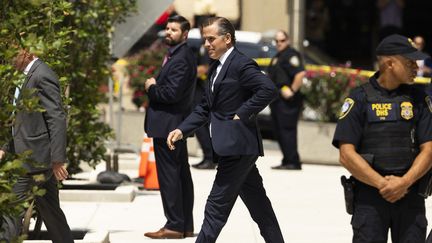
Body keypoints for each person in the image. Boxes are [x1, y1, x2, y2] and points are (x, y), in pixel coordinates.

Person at [167, 16, 285, 243]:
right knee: (260, 207)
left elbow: (268, 89)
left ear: (227, 38)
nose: (207, 44)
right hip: (233, 147)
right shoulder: (216, 67)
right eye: (204, 40)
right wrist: (181, 130)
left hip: (238, 147)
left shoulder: (241, 64)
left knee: (215, 206)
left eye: (211, 39)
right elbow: (205, 108)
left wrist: (243, 112)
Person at [333, 34, 432, 242]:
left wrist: (403, 182)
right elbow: (346, 154)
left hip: (410, 197)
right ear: (389, 63)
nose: (416, 66)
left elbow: (429, 150)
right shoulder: (358, 99)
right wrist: (382, 184)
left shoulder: (420, 99)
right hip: (370, 199)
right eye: (410, 61)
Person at [0, 49, 73, 243]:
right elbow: (21, 119)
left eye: (11, 55)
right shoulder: (26, 74)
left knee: (11, 208)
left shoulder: (42, 74)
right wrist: (6, 147)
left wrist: (57, 160)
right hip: (34, 157)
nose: (9, 61)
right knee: (50, 210)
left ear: (26, 53)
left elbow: (56, 117)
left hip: (34, 160)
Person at [143, 15, 196, 239]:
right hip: (171, 125)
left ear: (184, 34)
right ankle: (183, 225)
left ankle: (175, 225)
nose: (168, 32)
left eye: (174, 30)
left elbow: (171, 94)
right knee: (179, 174)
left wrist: (152, 87)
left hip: (169, 126)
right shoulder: (175, 55)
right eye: (167, 28)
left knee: (170, 176)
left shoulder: (182, 58)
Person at [268, 30, 305, 170]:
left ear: (288, 40)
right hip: (277, 100)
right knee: (279, 131)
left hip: (288, 102)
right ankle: (287, 159)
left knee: (287, 131)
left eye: (282, 40)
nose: (279, 43)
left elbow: (300, 74)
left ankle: (293, 161)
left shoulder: (291, 55)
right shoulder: (278, 56)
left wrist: (292, 91)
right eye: (277, 41)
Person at [191, 37, 216, 170]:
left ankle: (209, 158)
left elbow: (204, 68)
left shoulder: (209, 46)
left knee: (201, 125)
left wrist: (187, 73)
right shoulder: (202, 45)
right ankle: (208, 157)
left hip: (203, 91)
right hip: (201, 89)